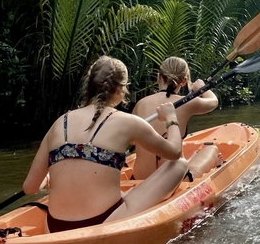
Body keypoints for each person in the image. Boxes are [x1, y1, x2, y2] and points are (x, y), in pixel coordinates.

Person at [23, 56, 188, 233]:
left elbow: (30, 187)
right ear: (120, 89)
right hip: (104, 222)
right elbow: (175, 152)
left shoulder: (59, 122)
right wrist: (171, 118)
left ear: (90, 86)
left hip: (55, 227)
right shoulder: (128, 122)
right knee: (179, 164)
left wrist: (48, 176)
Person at [131, 56, 219, 180]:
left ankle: (190, 160)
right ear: (183, 82)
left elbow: (132, 141)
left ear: (158, 77)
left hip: (139, 179)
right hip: (172, 181)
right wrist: (202, 88)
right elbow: (213, 102)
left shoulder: (140, 104)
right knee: (212, 149)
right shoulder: (187, 103)